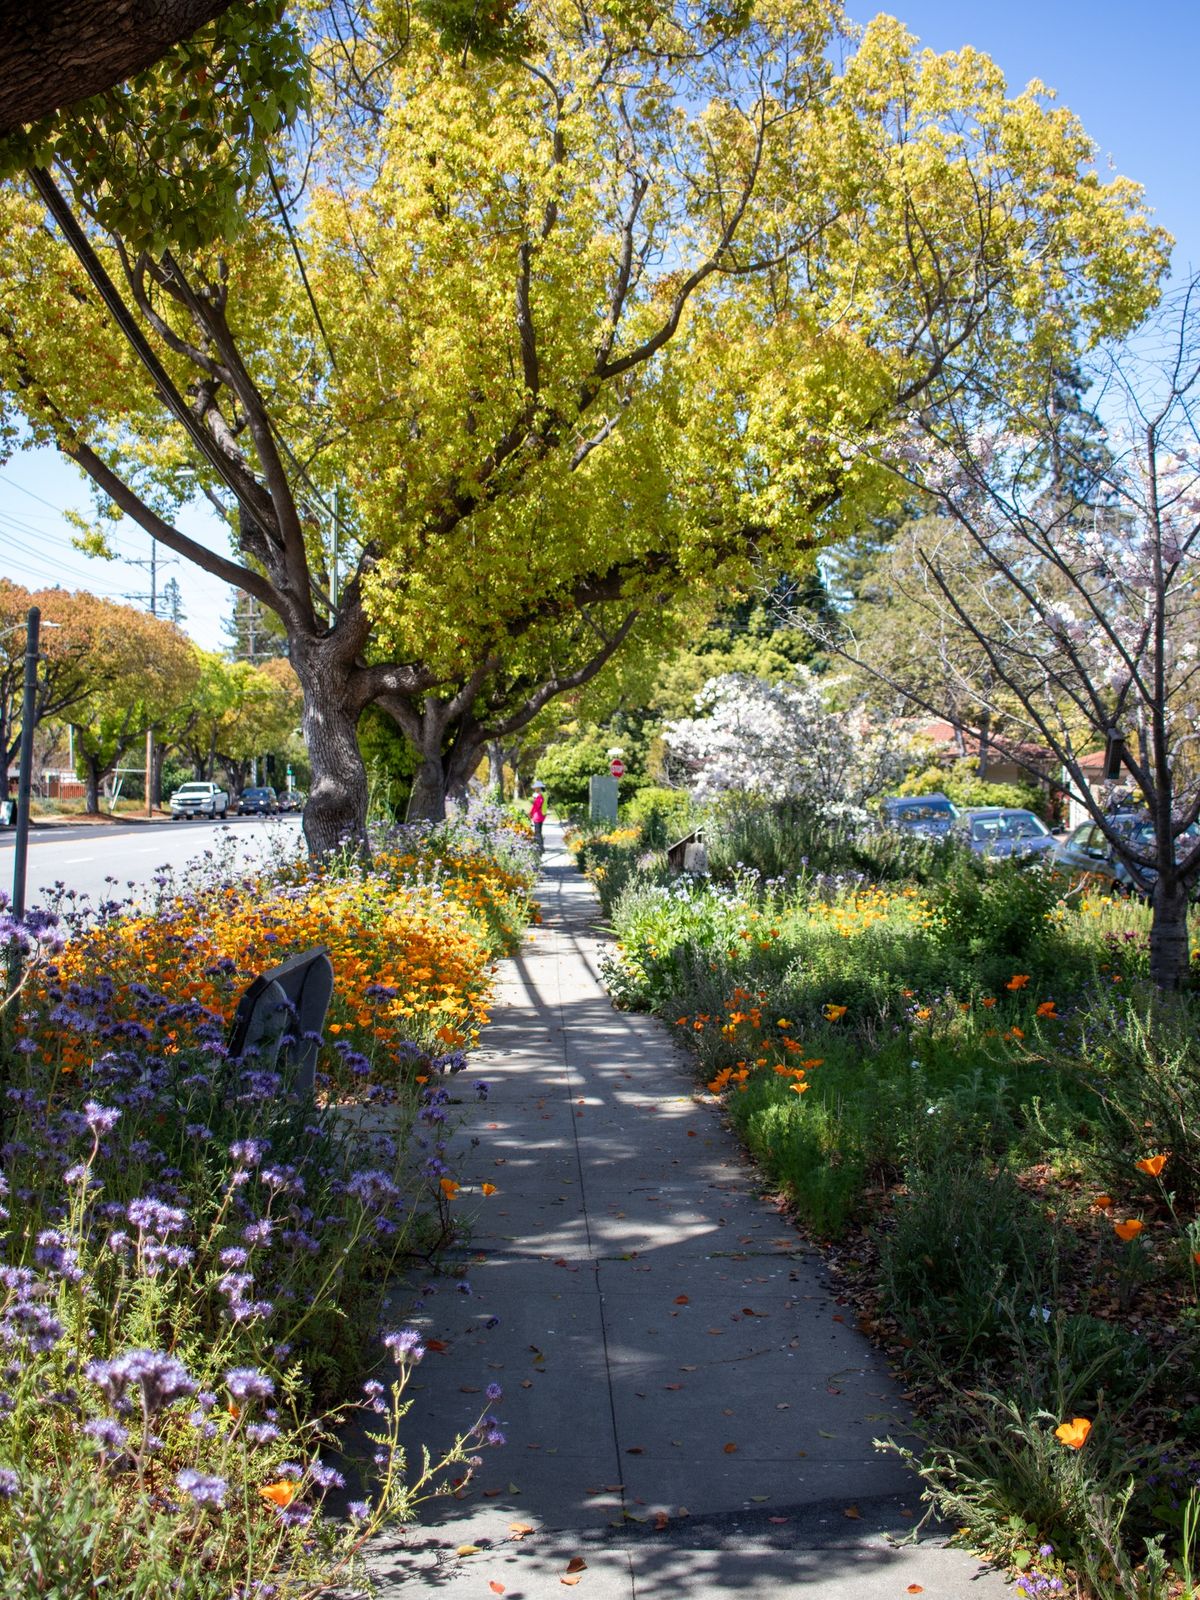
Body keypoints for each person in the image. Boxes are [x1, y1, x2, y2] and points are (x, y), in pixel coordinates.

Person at [529, 784, 546, 854]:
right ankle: (540, 847)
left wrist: (531, 813)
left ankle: (540, 847)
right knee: (538, 832)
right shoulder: (539, 797)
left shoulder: (539, 797)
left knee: (537, 832)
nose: (535, 789)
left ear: (539, 789)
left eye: (536, 788)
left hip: (537, 817)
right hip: (539, 816)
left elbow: (536, 807)